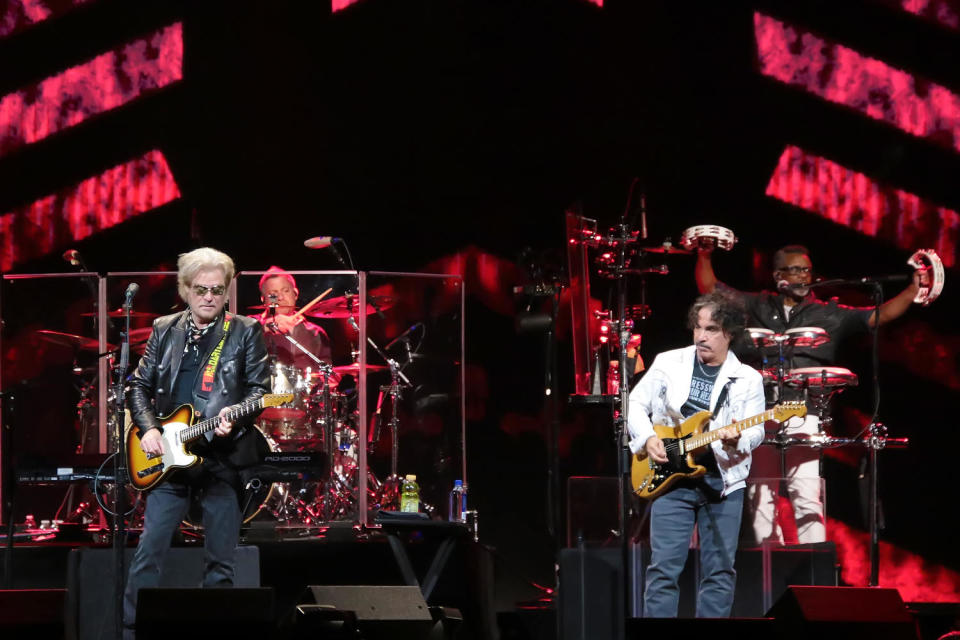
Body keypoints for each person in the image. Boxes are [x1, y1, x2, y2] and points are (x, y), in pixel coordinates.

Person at [695, 243, 927, 545]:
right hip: (759, 415)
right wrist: (704, 255)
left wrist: (912, 289)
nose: (804, 276)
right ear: (779, 275)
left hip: (804, 414)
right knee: (760, 497)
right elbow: (710, 287)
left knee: (806, 495)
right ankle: (771, 571)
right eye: (796, 270)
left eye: (806, 270)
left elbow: (877, 316)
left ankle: (813, 577)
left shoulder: (828, 313)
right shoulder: (757, 305)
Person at [123, 247, 270, 636]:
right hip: (170, 459)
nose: (209, 297)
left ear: (226, 293)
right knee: (147, 555)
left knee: (221, 563)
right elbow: (137, 386)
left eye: (218, 290)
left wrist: (235, 423)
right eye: (202, 289)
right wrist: (149, 428)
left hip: (221, 459)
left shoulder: (245, 331)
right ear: (186, 289)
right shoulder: (164, 328)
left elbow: (260, 392)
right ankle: (131, 632)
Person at [629, 292, 766, 618]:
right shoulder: (668, 362)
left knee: (719, 573)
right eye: (698, 328)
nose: (701, 336)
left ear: (730, 333)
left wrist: (737, 440)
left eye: (712, 329)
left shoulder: (748, 379)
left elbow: (756, 430)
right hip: (671, 482)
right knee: (663, 571)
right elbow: (636, 403)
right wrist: (648, 437)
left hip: (723, 484)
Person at [256, 266, 332, 370]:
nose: (280, 298)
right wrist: (262, 327)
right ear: (263, 299)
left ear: (295, 293)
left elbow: (327, 375)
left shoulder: (315, 332)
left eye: (286, 291)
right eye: (273, 294)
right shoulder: (248, 325)